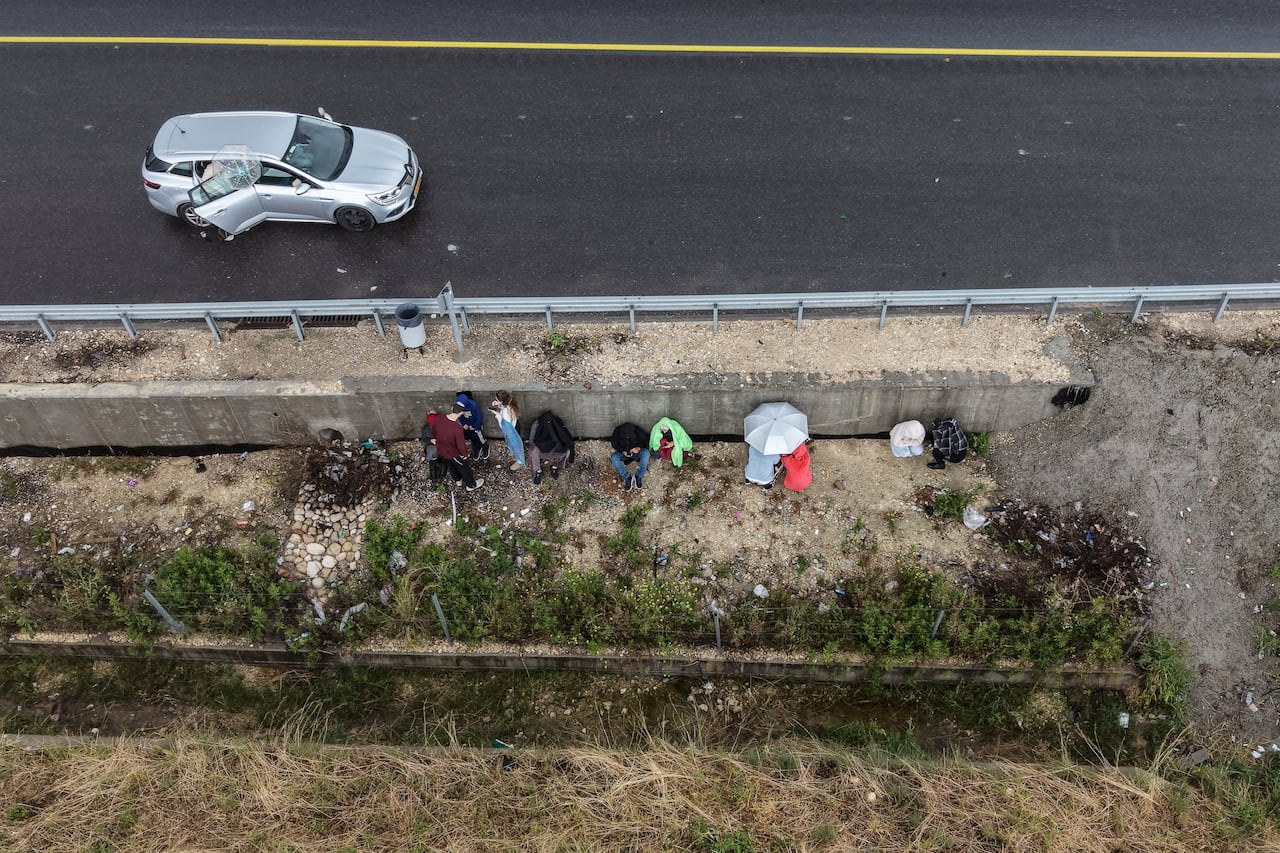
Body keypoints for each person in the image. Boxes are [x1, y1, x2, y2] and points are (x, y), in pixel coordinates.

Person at [432, 403, 484, 491]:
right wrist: (464, 454)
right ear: (460, 413)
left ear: (452, 408)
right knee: (463, 467)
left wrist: (435, 439)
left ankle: (458, 480)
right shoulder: (457, 428)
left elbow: (434, 429)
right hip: (452, 452)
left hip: (440, 448)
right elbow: (461, 445)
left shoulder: (440, 417)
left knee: (451, 465)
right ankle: (471, 485)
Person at [528, 410, 574, 485]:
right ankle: (537, 471)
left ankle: (555, 466)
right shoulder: (537, 424)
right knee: (533, 450)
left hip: (553, 448)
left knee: (567, 451)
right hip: (541, 448)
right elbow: (532, 440)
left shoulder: (556, 424)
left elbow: (566, 438)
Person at [489, 390, 526, 471]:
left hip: (512, 430)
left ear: (502, 401)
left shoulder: (505, 413)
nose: (495, 400)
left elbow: (504, 426)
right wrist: (498, 404)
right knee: (516, 443)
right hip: (515, 424)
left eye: (497, 400)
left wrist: (497, 414)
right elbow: (504, 408)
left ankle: (520, 460)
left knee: (516, 446)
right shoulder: (510, 402)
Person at [610, 422, 650, 491]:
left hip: (636, 453)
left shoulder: (638, 431)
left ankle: (638, 476)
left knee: (646, 453)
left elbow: (646, 441)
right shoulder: (617, 431)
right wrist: (622, 451)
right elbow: (614, 443)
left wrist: (638, 448)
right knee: (614, 457)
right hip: (624, 453)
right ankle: (627, 477)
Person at [454, 391, 490, 460]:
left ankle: (485, 447)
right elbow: (461, 417)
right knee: (473, 439)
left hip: (476, 428)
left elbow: (479, 418)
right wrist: (463, 424)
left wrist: (475, 426)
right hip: (468, 428)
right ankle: (477, 448)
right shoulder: (461, 409)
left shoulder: (474, 407)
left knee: (480, 438)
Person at [419, 410, 444, 481]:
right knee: (432, 452)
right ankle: (435, 473)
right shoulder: (426, 429)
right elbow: (424, 439)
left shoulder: (440, 427)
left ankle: (439, 473)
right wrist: (431, 440)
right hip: (431, 448)